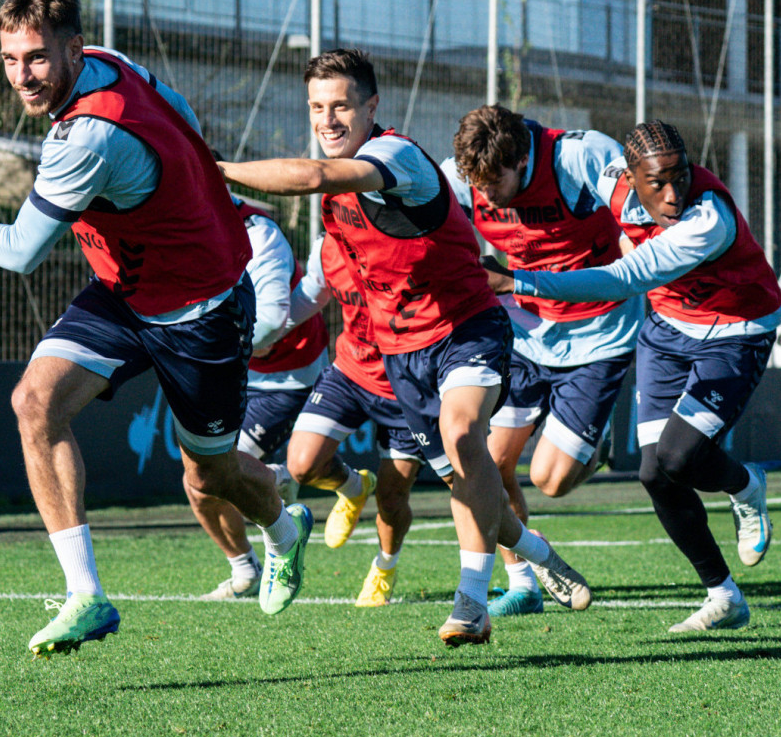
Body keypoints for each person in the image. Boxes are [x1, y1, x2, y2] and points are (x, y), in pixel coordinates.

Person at [0, 0, 314, 658]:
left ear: (72, 50)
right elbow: (178, 112)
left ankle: (285, 529)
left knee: (213, 477)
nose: (21, 77)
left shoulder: (85, 139)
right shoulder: (110, 63)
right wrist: (181, 185)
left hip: (202, 310)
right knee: (34, 401)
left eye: (35, 59)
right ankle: (86, 596)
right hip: (126, 292)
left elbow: (22, 252)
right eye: (9, 59)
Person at [219, 47, 591, 646]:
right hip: (400, 358)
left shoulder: (393, 156)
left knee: (464, 437)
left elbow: (314, 173)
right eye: (317, 107)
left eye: (341, 105)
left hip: (465, 328)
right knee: (461, 480)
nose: (328, 119)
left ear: (371, 106)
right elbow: (317, 287)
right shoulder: (334, 206)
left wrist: (219, 169)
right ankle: (538, 553)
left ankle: (471, 604)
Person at [488, 119, 780, 632]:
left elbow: (623, 277)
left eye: (680, 175)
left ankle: (745, 484)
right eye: (657, 182)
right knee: (653, 474)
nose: (673, 193)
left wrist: (516, 279)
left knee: (678, 458)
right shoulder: (613, 184)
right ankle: (724, 595)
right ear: (631, 178)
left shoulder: (705, 218)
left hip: (736, 331)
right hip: (667, 331)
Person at [443, 106, 642, 617]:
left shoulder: (579, 154)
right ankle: (524, 582)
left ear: (522, 158)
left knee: (550, 480)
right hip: (526, 332)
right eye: (475, 182)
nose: (484, 194)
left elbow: (642, 219)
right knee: (493, 464)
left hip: (599, 329)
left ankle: (589, 447)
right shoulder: (461, 179)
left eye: (494, 182)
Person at [188, 194, 329, 601]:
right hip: (232, 369)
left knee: (219, 474)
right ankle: (245, 569)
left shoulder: (259, 233)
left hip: (287, 374)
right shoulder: (176, 224)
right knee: (197, 482)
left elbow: (270, 321)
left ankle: (280, 482)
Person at [285, 230, 425, 606]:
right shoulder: (326, 246)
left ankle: (384, 566)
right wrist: (259, 329)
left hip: (407, 384)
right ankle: (352, 487)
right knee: (301, 465)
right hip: (351, 371)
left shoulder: (409, 240)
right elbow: (304, 302)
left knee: (393, 497)